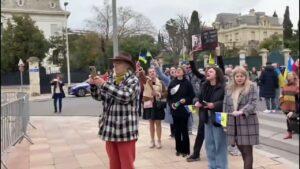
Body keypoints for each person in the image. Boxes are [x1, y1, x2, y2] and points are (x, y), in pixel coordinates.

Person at [89, 52, 140, 169]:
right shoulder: (111, 79)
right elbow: (99, 96)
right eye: (114, 63)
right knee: (114, 164)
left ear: (127, 65)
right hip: (110, 129)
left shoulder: (133, 80)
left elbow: (125, 96)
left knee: (127, 165)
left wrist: (103, 84)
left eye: (118, 63)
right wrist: (93, 85)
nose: (115, 65)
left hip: (125, 131)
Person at [223, 66, 259, 169]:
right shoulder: (229, 88)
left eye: (242, 76)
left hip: (247, 122)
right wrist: (224, 124)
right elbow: (225, 106)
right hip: (232, 123)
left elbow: (253, 102)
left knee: (247, 151)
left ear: (246, 76)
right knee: (241, 150)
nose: (239, 78)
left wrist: (242, 111)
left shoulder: (251, 86)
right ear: (233, 77)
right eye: (237, 76)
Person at [195, 66, 227, 169]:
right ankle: (212, 166)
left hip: (220, 117)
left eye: (210, 71)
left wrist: (215, 105)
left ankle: (221, 166)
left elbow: (227, 102)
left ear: (217, 74)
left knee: (220, 144)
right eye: (207, 71)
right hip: (206, 117)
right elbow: (198, 97)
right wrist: (196, 102)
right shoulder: (204, 85)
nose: (207, 73)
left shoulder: (223, 86)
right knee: (209, 144)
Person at [167, 67, 195, 157]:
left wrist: (185, 100)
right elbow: (169, 97)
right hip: (175, 110)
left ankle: (186, 150)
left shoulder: (187, 83)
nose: (177, 72)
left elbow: (192, 96)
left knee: (184, 131)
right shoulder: (172, 83)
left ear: (183, 72)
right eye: (176, 71)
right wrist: (171, 104)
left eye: (179, 70)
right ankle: (178, 149)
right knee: (177, 131)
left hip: (184, 110)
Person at [140, 67, 167, 148]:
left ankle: (159, 140)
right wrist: (140, 70)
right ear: (148, 74)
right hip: (149, 103)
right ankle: (152, 140)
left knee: (158, 123)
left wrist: (159, 94)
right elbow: (141, 76)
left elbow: (165, 93)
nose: (152, 73)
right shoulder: (146, 81)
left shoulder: (161, 82)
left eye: (153, 71)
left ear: (156, 73)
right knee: (151, 122)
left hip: (158, 104)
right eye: (150, 72)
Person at [280, 73, 299, 139]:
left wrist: (294, 111)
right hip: (286, 107)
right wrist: (282, 104)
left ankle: (294, 131)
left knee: (294, 121)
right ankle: (289, 134)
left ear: (294, 78)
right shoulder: (285, 86)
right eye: (288, 77)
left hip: (295, 108)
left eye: (290, 77)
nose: (288, 79)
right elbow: (282, 96)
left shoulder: (297, 86)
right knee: (289, 120)